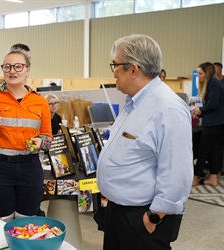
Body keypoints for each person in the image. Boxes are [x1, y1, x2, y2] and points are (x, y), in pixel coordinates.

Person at [96, 34, 193, 250]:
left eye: (115, 64)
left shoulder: (167, 108)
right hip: (119, 212)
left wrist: (153, 217)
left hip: (143, 218)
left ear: (133, 69)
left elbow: (177, 173)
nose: (113, 71)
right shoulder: (134, 102)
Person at [0, 48, 52, 222]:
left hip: (30, 168)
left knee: (27, 223)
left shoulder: (40, 102)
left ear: (28, 70)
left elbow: (48, 139)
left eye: (18, 66)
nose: (12, 71)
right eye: (7, 67)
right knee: (0, 224)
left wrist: (40, 143)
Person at [192, 62, 224, 187]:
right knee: (214, 150)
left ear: (207, 73)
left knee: (203, 150)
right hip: (218, 122)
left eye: (200, 73)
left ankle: (194, 178)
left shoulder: (213, 84)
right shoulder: (215, 83)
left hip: (213, 123)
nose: (198, 76)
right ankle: (213, 178)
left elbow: (213, 104)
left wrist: (200, 110)